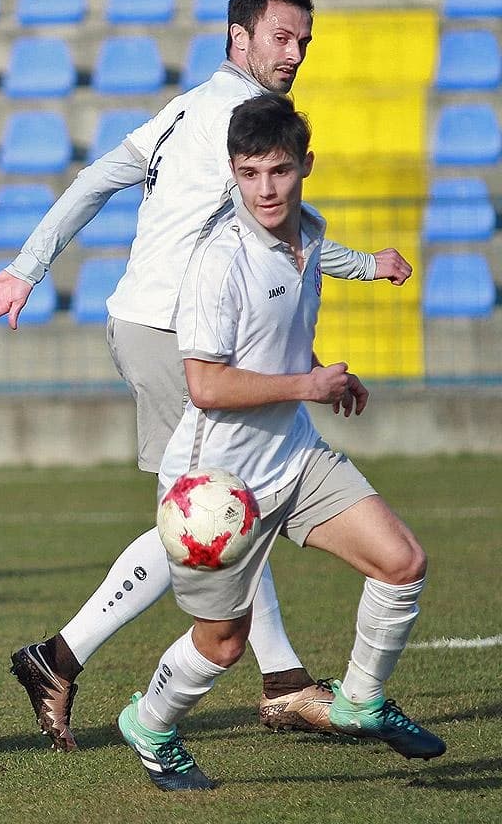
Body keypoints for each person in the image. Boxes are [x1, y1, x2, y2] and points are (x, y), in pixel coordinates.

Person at [0, 0, 414, 749]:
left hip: (157, 325)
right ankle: (71, 658)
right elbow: (279, 231)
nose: (296, 53)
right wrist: (24, 272)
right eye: (282, 36)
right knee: (209, 513)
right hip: (175, 333)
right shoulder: (233, 118)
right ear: (239, 37)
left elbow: (99, 179)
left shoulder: (191, 105)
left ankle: (272, 681)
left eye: (304, 41)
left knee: (229, 501)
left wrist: (28, 268)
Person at [118, 93, 444, 791]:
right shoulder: (218, 262)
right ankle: (149, 724)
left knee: (402, 563)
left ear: (305, 167)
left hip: (295, 457)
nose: (265, 189)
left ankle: (358, 701)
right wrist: (308, 387)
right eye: (249, 174)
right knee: (224, 645)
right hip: (216, 488)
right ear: (233, 174)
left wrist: (328, 371)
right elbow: (204, 385)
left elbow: (288, 323)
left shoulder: (312, 233)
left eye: (279, 171)